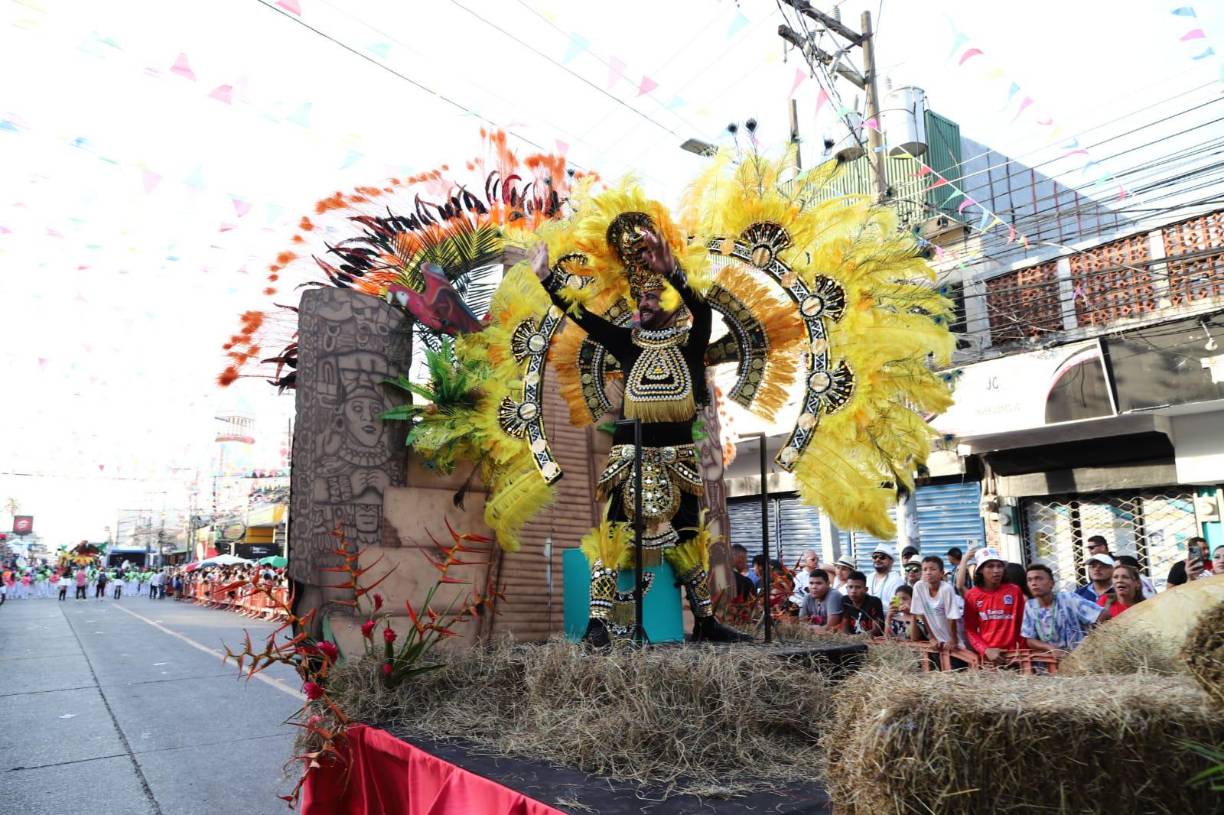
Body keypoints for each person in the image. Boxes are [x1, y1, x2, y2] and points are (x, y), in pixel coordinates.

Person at [533, 227, 747, 644]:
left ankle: (704, 623)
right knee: (614, 532)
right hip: (631, 455)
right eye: (640, 299)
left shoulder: (690, 341)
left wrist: (675, 274)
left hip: (680, 456)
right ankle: (597, 624)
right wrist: (546, 280)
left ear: (667, 302)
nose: (644, 304)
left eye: (651, 298)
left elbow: (703, 314)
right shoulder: (626, 342)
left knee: (688, 535)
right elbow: (583, 318)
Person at [1021, 563, 1105, 654]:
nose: (1033, 583)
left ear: (1052, 583)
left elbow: (1103, 614)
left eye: (1039, 578)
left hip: (1079, 659)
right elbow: (1029, 639)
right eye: (1029, 580)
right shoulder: (1030, 606)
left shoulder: (1068, 598)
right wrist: (1050, 648)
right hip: (1051, 662)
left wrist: (1091, 641)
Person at [962, 548, 1024, 665]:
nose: (996, 571)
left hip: (1015, 656)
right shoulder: (972, 595)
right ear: (980, 570)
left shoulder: (1014, 591)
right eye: (990, 566)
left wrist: (1020, 651)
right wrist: (985, 650)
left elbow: (1022, 624)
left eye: (999, 566)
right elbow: (970, 629)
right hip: (988, 659)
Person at [909, 555, 961, 651]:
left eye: (932, 569)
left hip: (955, 641)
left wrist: (953, 640)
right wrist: (931, 637)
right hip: (938, 641)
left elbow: (951, 618)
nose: (928, 572)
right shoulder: (919, 587)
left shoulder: (946, 589)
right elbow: (922, 614)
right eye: (925, 569)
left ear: (941, 573)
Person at [840, 570, 884, 636]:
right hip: (852, 640)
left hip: (873, 641)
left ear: (866, 589)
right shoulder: (845, 600)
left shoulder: (874, 602)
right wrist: (847, 637)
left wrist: (857, 638)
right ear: (846, 588)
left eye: (858, 587)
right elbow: (844, 624)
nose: (853, 591)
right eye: (850, 587)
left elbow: (876, 630)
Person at [866, 543, 903, 608]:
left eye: (882, 557)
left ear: (891, 561)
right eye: (875, 557)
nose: (877, 559)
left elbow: (896, 606)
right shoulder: (869, 577)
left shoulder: (897, 580)